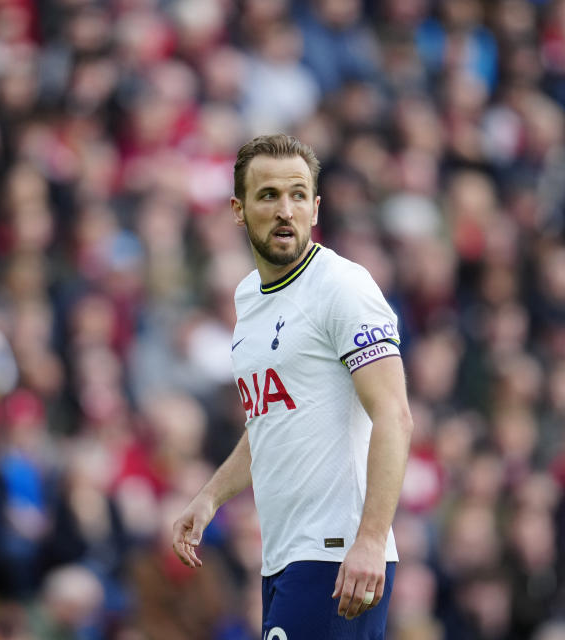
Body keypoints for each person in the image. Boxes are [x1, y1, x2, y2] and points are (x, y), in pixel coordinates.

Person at [171, 133, 414, 639]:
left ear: (316, 207)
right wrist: (212, 496)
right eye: (269, 196)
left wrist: (369, 540)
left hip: (337, 557)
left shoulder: (343, 287)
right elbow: (271, 421)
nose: (286, 209)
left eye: (298, 194)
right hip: (283, 554)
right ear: (239, 210)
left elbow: (394, 415)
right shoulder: (248, 298)